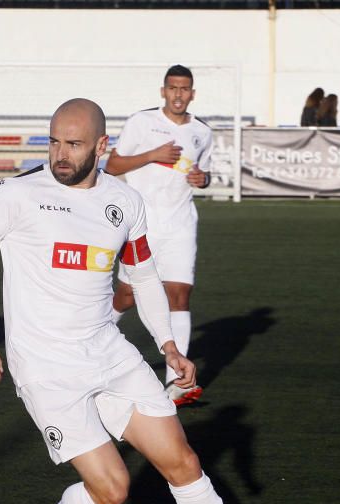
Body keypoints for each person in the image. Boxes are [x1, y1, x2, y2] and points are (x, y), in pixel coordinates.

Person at [0, 98, 300, 504]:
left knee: (184, 463)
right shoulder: (18, 194)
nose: (61, 154)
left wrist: (169, 345)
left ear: (102, 146)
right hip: (46, 367)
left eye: (75, 144)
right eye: (55, 141)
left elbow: (143, 276)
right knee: (112, 491)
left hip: (109, 352)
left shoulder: (123, 201)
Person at [104, 65, 211, 407]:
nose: (179, 94)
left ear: (192, 93)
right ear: (163, 91)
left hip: (181, 224)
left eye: (185, 89)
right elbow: (113, 167)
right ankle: (89, 340)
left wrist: (203, 180)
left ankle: (176, 383)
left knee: (179, 295)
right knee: (128, 295)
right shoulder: (141, 122)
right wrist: (153, 155)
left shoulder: (202, 132)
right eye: (173, 88)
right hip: (142, 222)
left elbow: (204, 172)